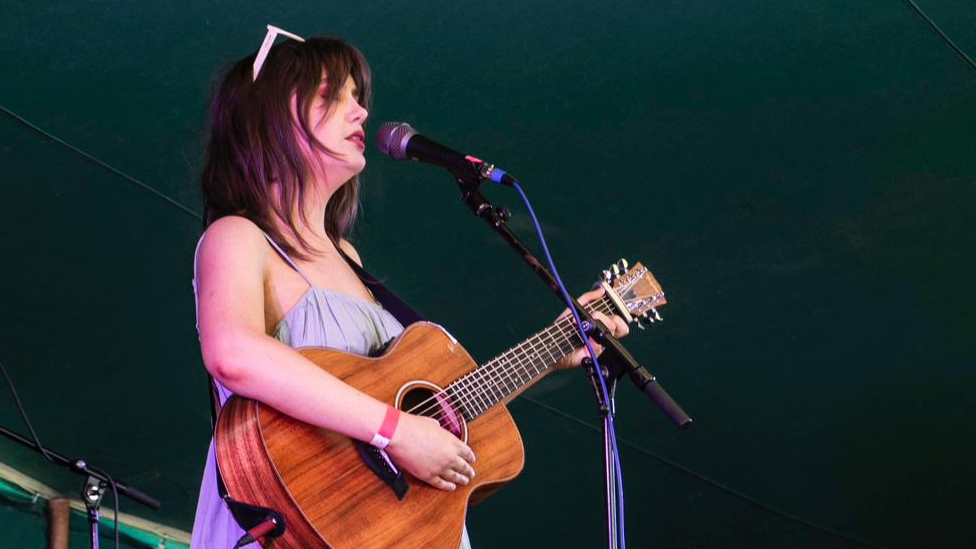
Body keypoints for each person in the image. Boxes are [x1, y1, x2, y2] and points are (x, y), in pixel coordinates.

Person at [189, 28, 629, 549]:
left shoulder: (351, 261)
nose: (360, 113)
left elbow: (437, 404)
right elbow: (234, 354)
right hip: (297, 522)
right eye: (332, 96)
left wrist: (556, 348)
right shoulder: (238, 237)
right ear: (268, 118)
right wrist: (394, 431)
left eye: (358, 97)